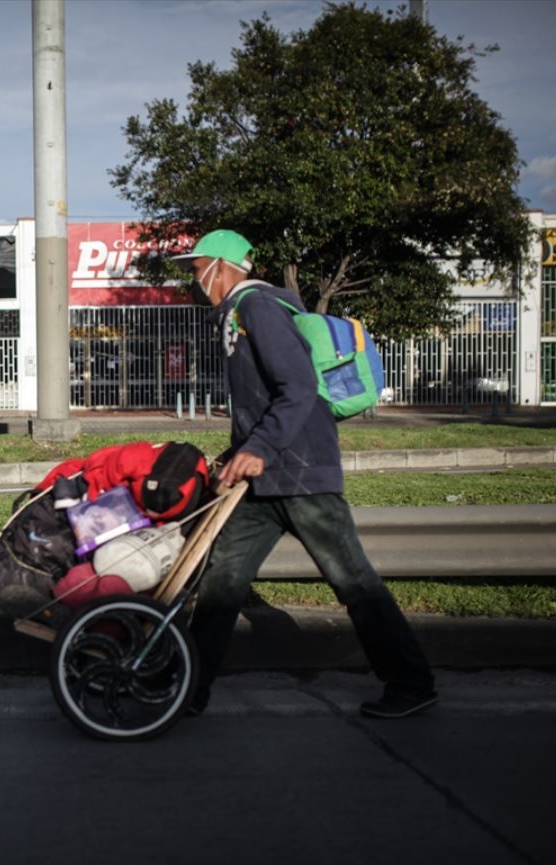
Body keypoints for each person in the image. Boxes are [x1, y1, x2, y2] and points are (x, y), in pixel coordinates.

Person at [175, 229, 437, 718]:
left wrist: (259, 447)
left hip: (299, 472)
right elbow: (261, 401)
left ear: (223, 266)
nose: (193, 280)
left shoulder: (257, 309)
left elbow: (298, 387)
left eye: (196, 269)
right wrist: (238, 454)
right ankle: (187, 689)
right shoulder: (236, 315)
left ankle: (411, 682)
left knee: (353, 581)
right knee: (222, 583)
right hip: (265, 478)